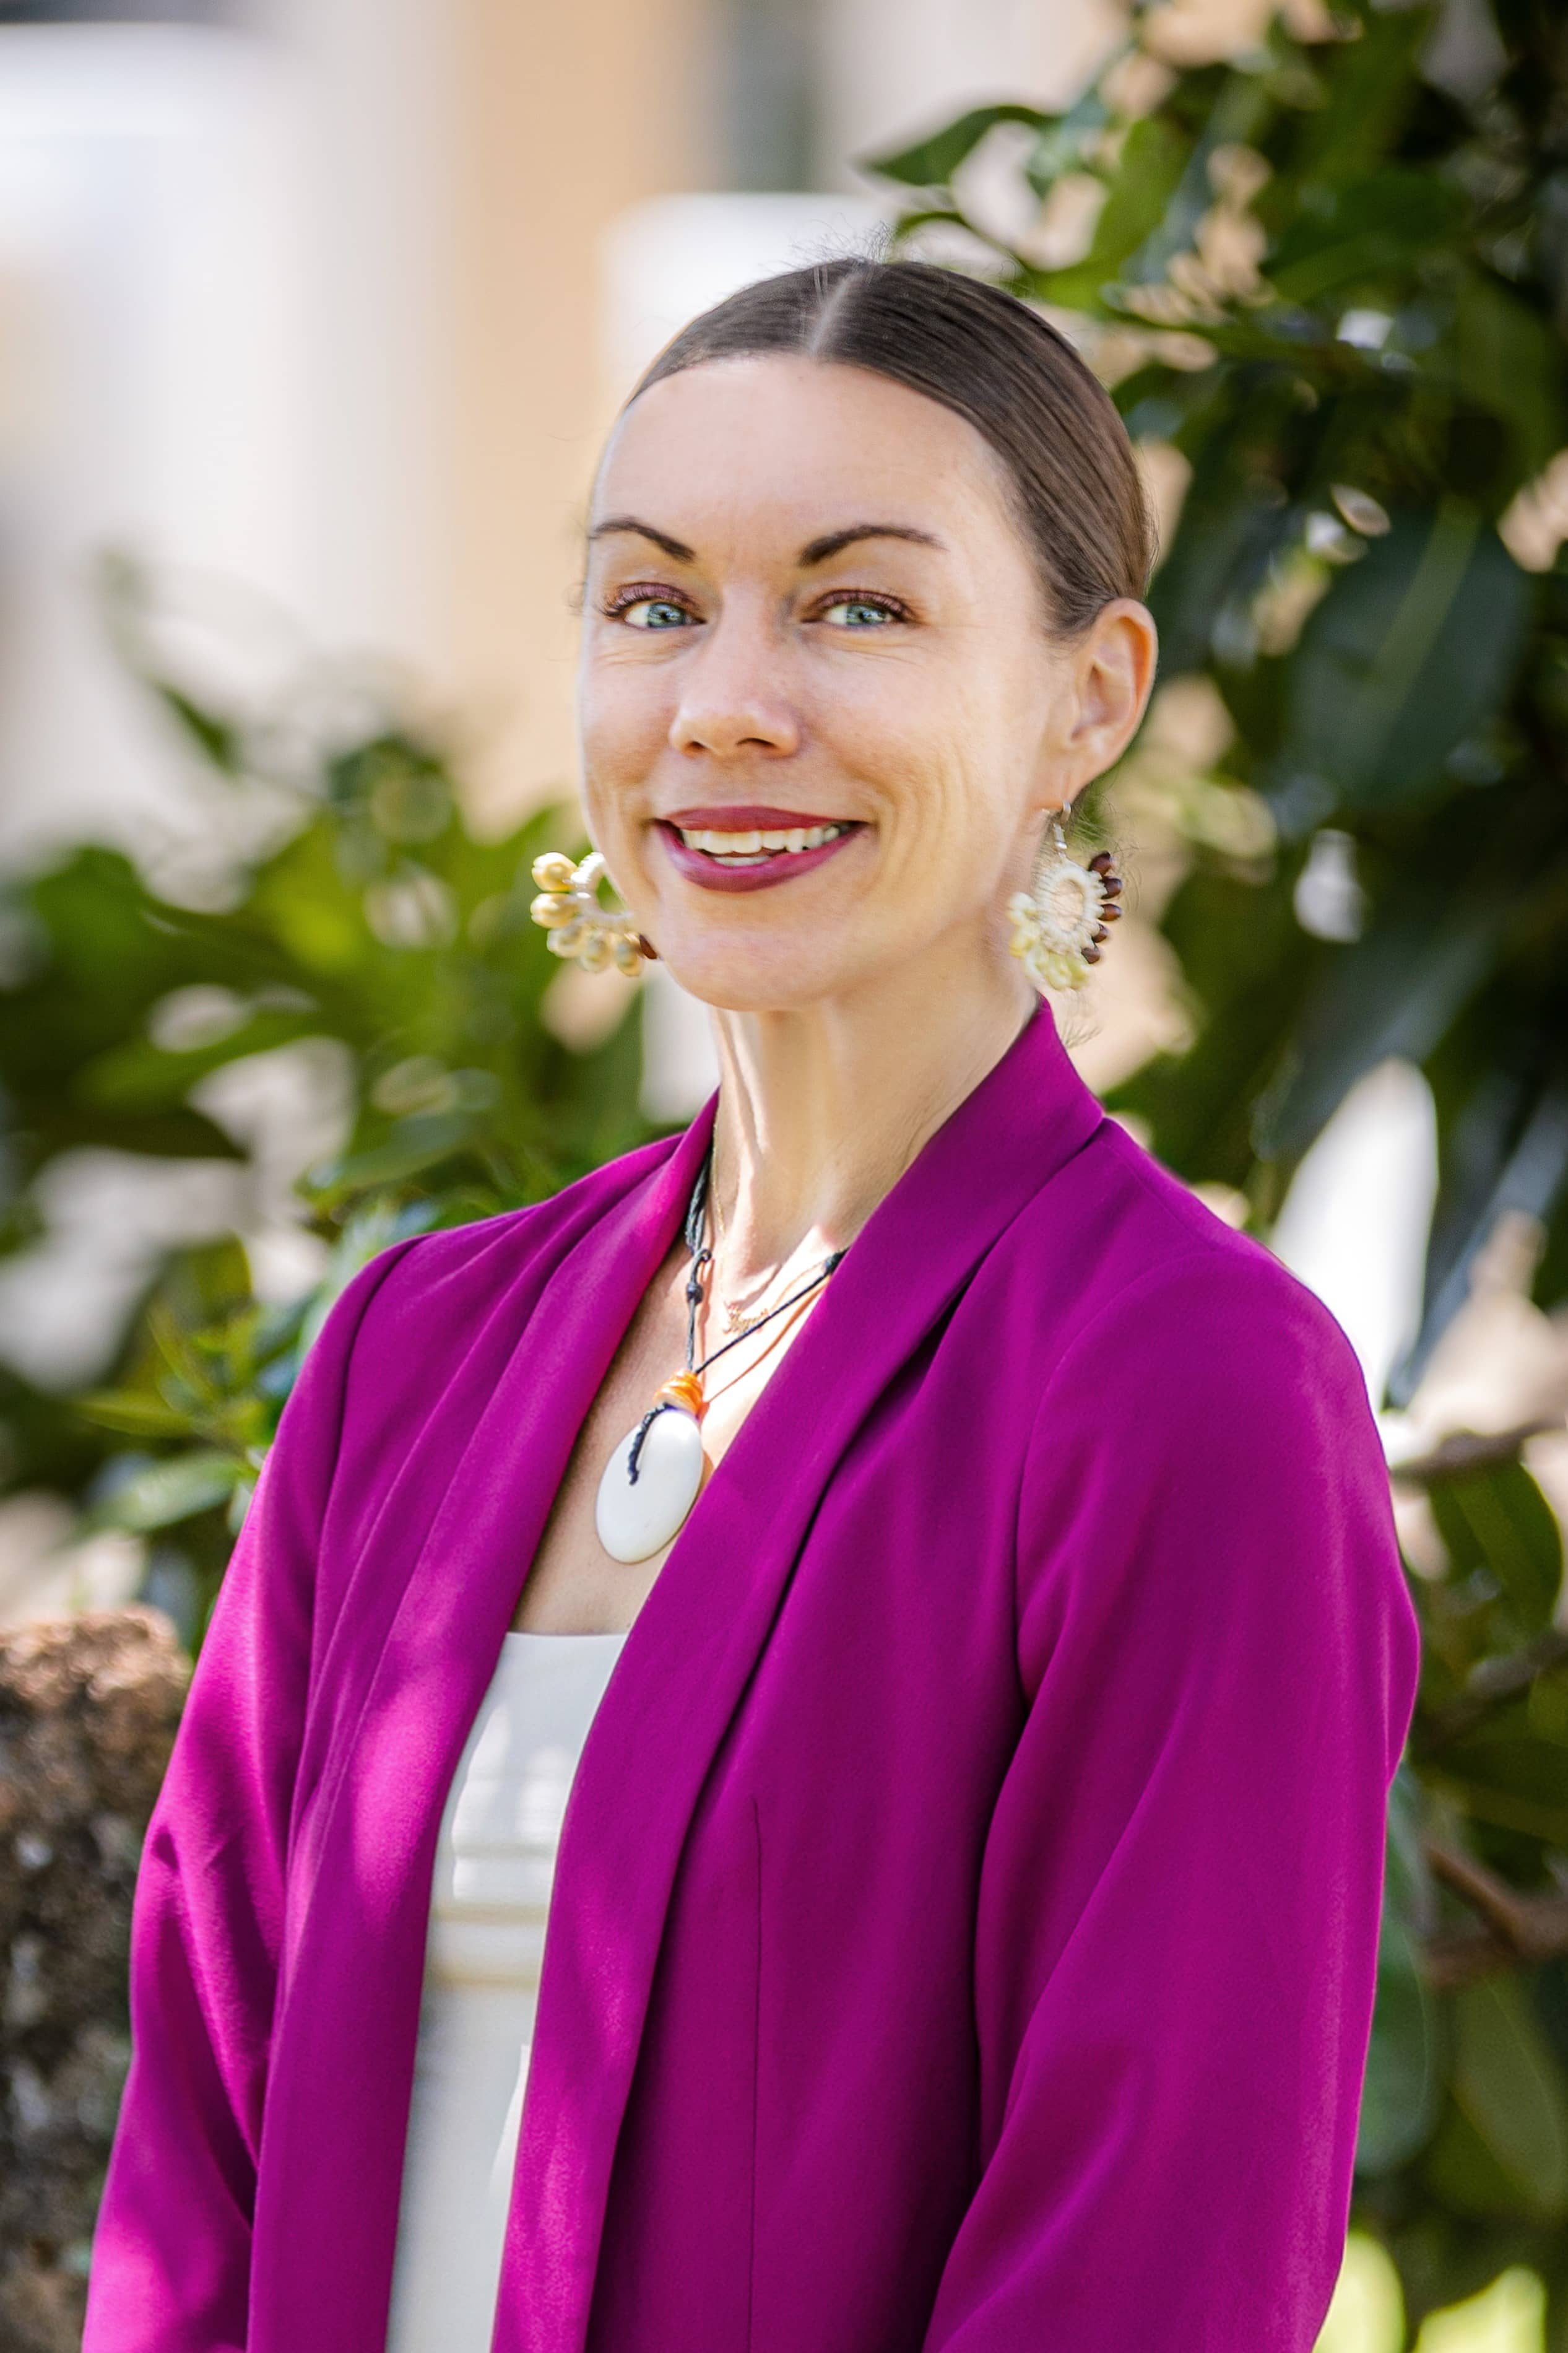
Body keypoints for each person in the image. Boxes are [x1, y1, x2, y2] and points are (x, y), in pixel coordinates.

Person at [83, 256, 1421, 2353]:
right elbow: (196, 2169)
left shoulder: (1183, 1389)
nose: (723, 698)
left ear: (1092, 694)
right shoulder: (406, 1360)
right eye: (653, 601)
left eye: (858, 604)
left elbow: (1146, 2261)